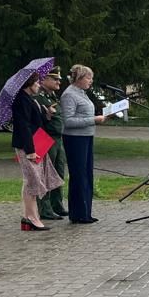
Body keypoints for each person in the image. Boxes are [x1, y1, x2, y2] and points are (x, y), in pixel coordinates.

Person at [12, 73, 61, 231]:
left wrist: (46, 114)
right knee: (32, 180)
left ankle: (28, 217)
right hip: (28, 145)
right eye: (36, 83)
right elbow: (24, 127)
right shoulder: (21, 100)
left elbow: (35, 121)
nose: (39, 85)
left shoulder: (29, 99)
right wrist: (30, 150)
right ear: (29, 84)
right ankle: (32, 217)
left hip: (37, 142)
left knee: (31, 180)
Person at [61, 64, 108, 224]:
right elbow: (68, 121)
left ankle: (85, 211)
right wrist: (94, 119)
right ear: (79, 78)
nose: (91, 81)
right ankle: (78, 213)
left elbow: (83, 114)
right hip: (75, 139)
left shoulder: (82, 93)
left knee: (87, 174)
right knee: (79, 175)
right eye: (88, 77)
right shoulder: (69, 95)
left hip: (87, 136)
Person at [35, 68, 68, 221]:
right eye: (54, 79)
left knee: (59, 172)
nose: (58, 82)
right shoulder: (39, 97)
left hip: (58, 138)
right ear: (43, 80)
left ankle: (57, 205)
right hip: (45, 138)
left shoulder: (52, 96)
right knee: (47, 174)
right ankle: (45, 208)